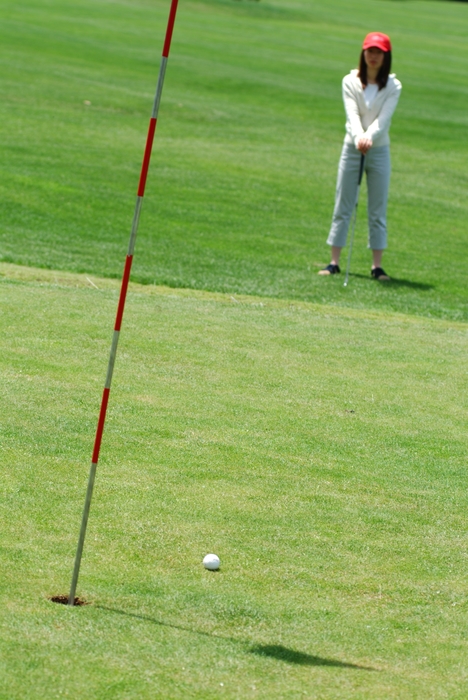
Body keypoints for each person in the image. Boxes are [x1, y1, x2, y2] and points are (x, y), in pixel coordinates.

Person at [319, 32, 402, 280]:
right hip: (352, 148)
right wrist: (359, 137)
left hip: (379, 150)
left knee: (377, 208)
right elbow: (352, 114)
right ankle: (334, 262)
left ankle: (377, 266)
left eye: (378, 52)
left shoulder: (394, 86)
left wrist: (369, 137)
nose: (373, 56)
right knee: (343, 203)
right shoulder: (350, 81)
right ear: (363, 53)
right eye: (370, 51)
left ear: (386, 56)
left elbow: (383, 120)